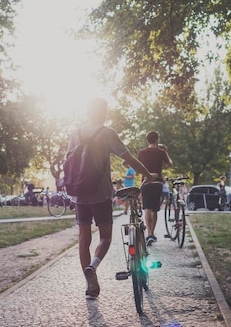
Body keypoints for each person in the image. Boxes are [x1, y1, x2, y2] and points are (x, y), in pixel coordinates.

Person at [66, 98, 157, 299]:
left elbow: (69, 163)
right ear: (104, 113)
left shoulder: (75, 133)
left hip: (80, 194)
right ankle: (93, 265)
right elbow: (129, 159)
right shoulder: (107, 133)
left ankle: (91, 287)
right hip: (101, 193)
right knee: (105, 237)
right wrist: (149, 175)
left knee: (84, 238)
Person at [137, 131, 173, 246]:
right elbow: (170, 164)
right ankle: (152, 233)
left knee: (147, 207)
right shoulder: (161, 152)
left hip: (146, 182)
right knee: (155, 209)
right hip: (157, 183)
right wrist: (166, 153)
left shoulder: (141, 152)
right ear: (157, 139)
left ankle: (148, 234)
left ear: (147, 140)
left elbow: (138, 166)